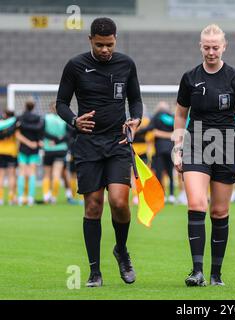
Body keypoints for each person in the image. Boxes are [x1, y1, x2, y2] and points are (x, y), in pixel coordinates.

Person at [56, 17, 143, 287]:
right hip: (88, 145)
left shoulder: (126, 64)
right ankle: (95, 271)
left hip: (117, 143)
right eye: (99, 45)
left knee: (119, 202)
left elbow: (136, 99)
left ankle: (121, 249)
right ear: (90, 40)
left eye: (109, 44)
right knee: (93, 206)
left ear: (116, 39)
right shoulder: (75, 66)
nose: (105, 50)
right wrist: (74, 120)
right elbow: (60, 102)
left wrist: (136, 120)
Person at [173, 24, 235, 287]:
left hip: (226, 146)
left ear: (224, 46)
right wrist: (178, 147)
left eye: (215, 47)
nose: (211, 52)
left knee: (219, 212)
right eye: (206, 47)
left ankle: (216, 274)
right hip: (196, 143)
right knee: (197, 204)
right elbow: (180, 115)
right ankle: (196, 271)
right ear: (200, 46)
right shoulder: (190, 78)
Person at [16, 99, 43, 206]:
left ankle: (21, 197)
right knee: (32, 173)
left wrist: (27, 143)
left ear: (25, 106)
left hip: (23, 148)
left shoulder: (20, 118)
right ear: (34, 107)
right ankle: (31, 198)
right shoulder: (38, 119)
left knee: (22, 173)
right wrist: (33, 143)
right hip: (34, 148)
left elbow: (18, 135)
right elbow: (40, 133)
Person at [42, 102, 69, 204]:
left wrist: (52, 140)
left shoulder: (46, 118)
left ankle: (46, 196)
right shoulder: (64, 119)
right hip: (61, 148)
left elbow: (42, 131)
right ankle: (53, 197)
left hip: (48, 148)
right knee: (56, 174)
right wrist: (58, 140)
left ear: (51, 109)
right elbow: (68, 134)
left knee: (47, 174)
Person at [149, 100, 175, 204]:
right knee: (170, 173)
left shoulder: (156, 117)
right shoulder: (172, 117)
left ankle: (162, 195)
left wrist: (158, 133)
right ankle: (172, 195)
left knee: (159, 173)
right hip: (170, 149)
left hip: (159, 150)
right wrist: (169, 135)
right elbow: (176, 132)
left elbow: (150, 129)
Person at [0, 110, 19, 205]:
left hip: (1, 151)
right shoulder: (14, 125)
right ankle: (12, 198)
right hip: (11, 152)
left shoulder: (1, 124)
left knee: (1, 176)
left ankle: (0, 198)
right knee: (12, 176)